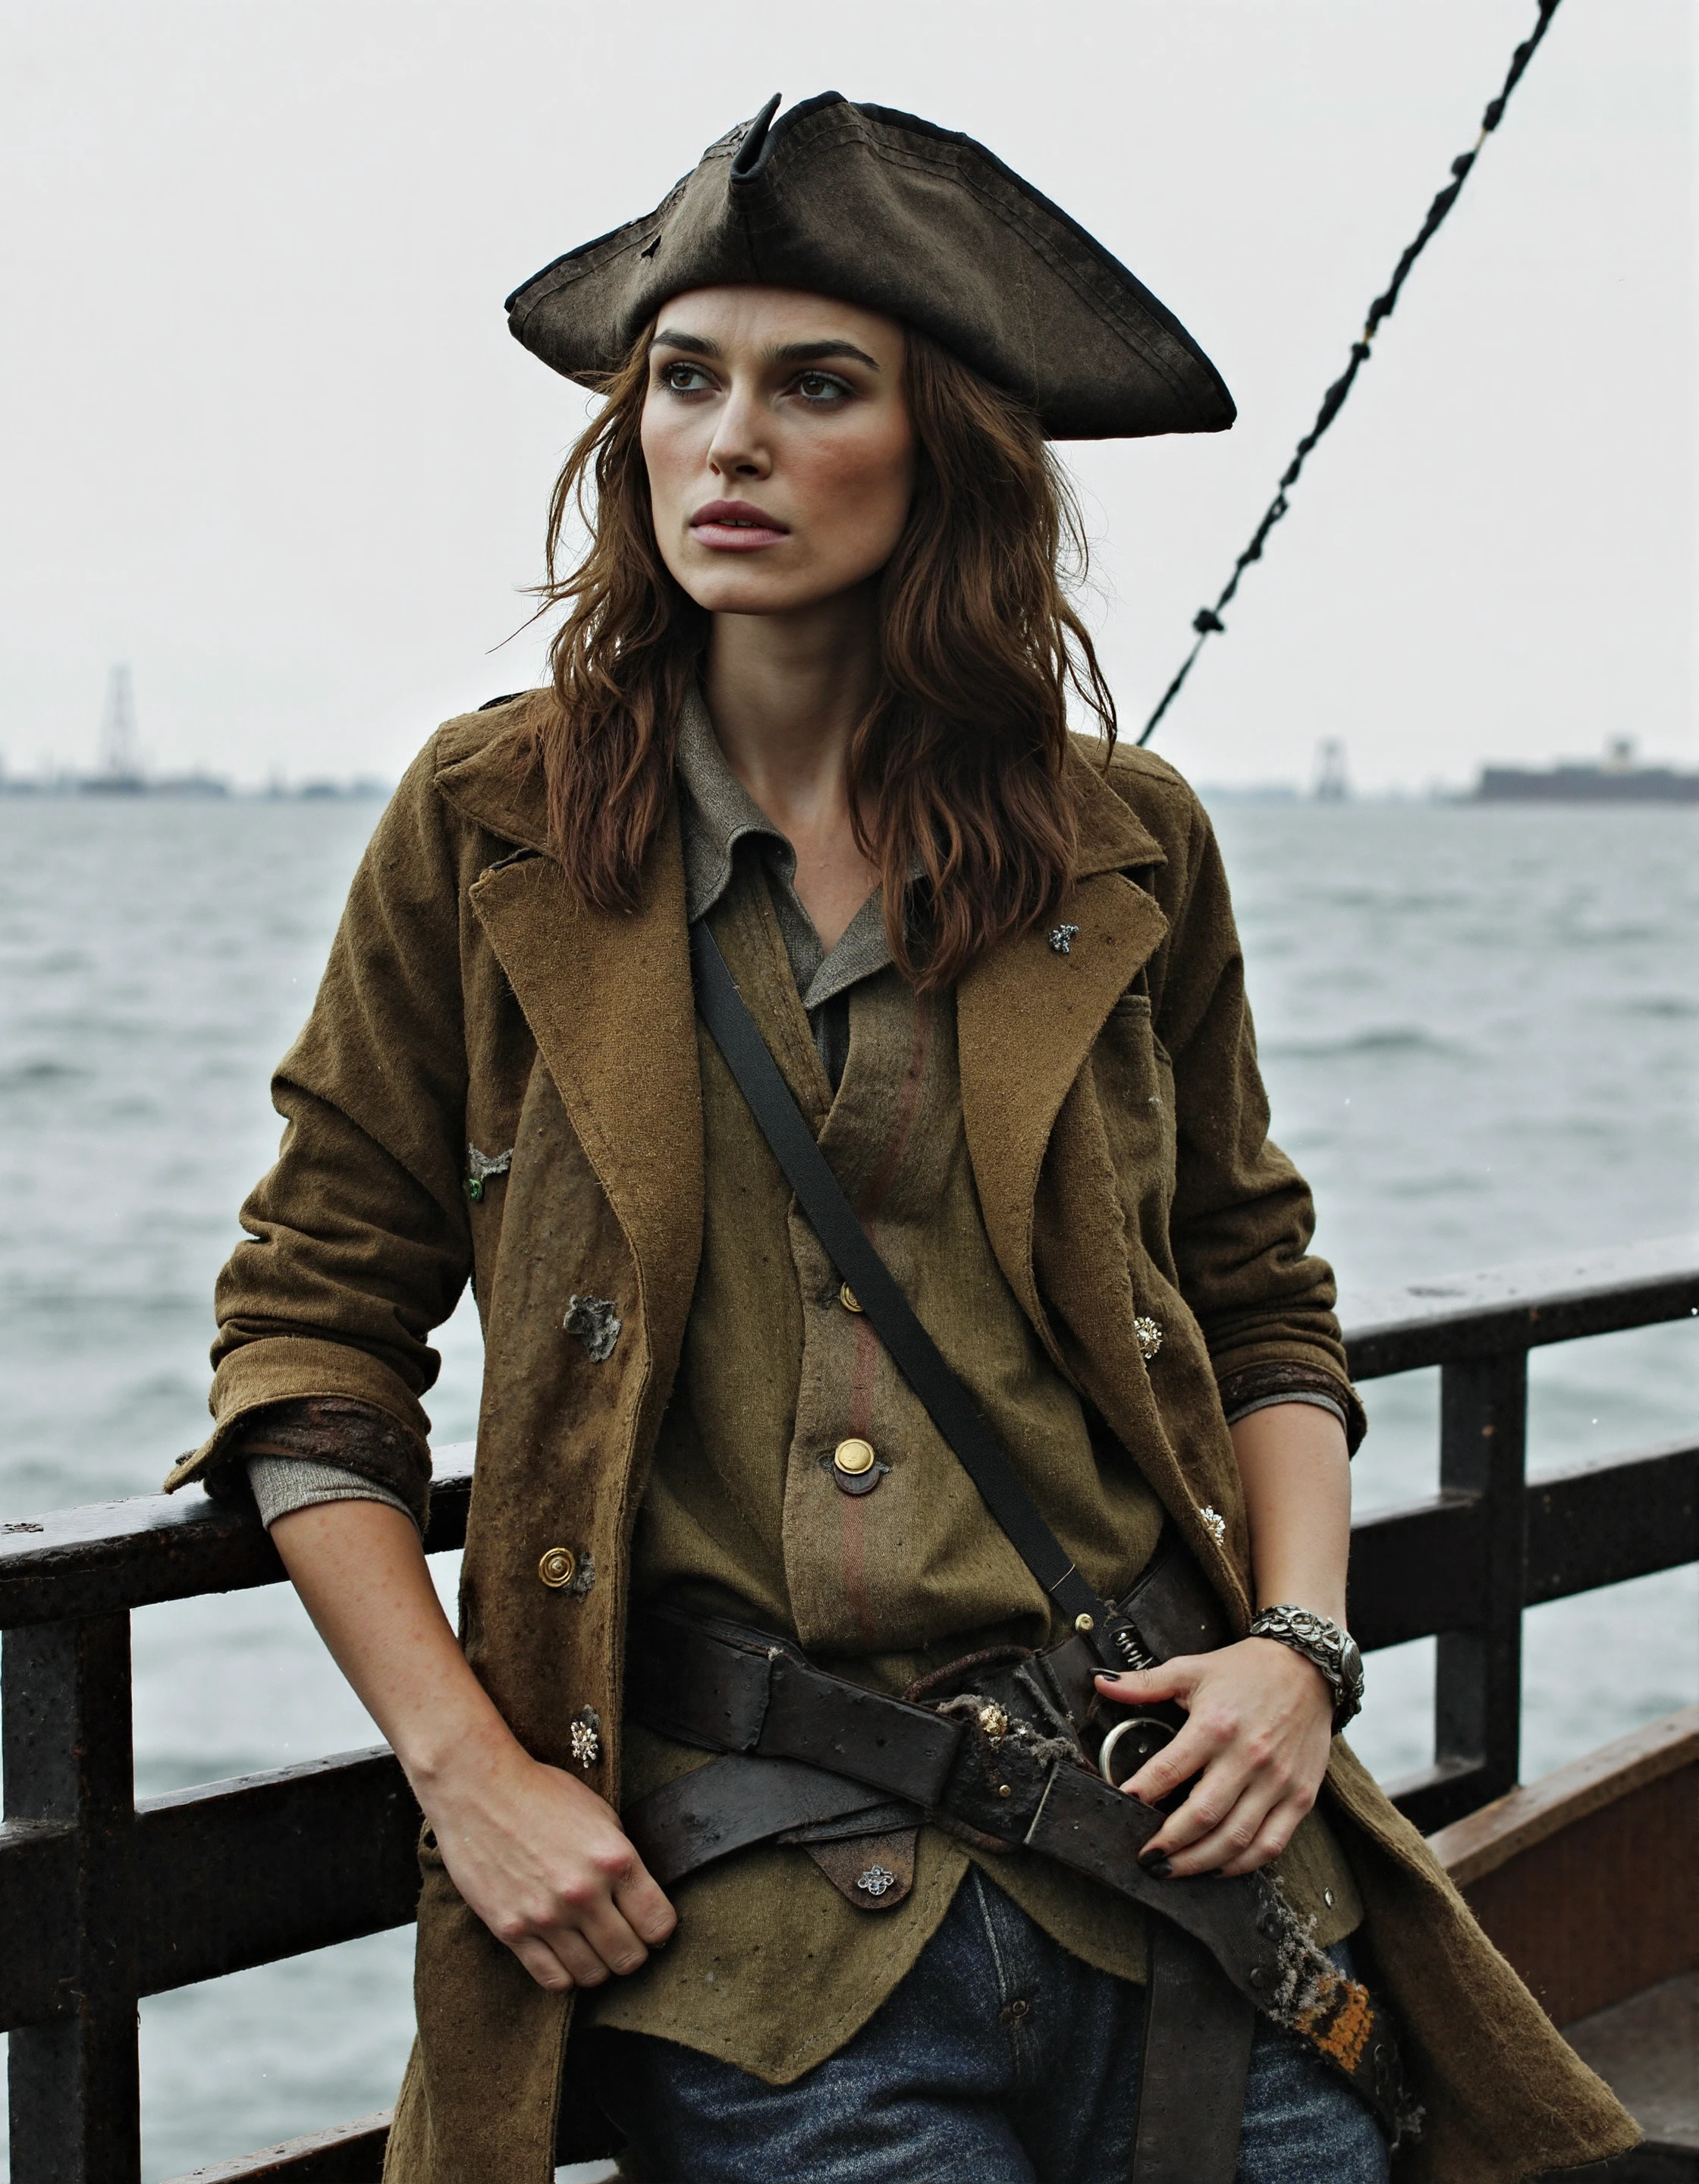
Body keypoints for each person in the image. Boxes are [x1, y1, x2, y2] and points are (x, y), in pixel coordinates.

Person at [168, 95, 1635, 2184]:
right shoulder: (492, 830)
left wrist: (1301, 1658)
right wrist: (467, 1774)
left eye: (815, 386)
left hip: (1178, 1877)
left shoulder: (1125, 846)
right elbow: (310, 1352)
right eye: (686, 380)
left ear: (946, 452)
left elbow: (1260, 1295)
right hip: (756, 1942)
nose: (729, 440)